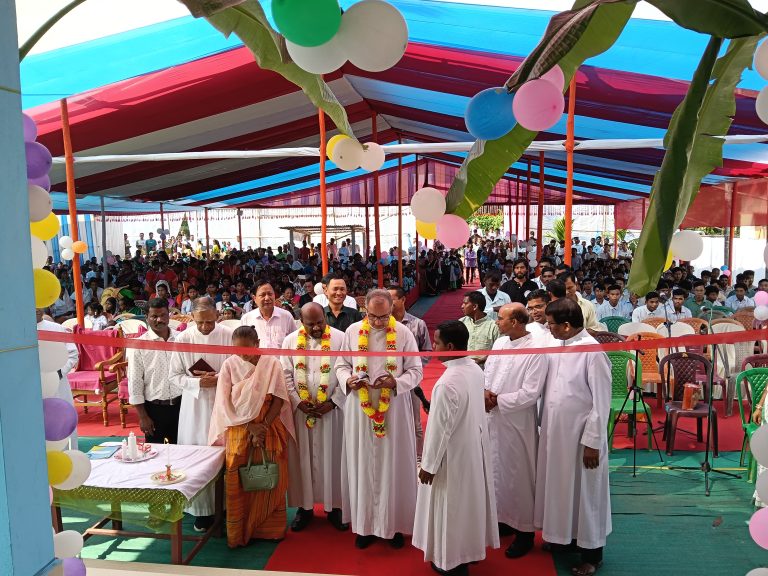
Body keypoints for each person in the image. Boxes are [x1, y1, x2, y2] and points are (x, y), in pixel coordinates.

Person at [335, 289, 423, 549]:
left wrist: (396, 382)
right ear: (365, 310)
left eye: (383, 317)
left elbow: (416, 370)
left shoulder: (404, 333)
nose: (377, 322)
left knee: (392, 464)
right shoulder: (353, 332)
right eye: (372, 316)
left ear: (392, 310)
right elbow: (341, 365)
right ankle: (365, 526)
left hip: (393, 406)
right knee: (362, 462)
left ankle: (393, 526)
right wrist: (348, 379)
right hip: (360, 407)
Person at [413, 321, 499, 576]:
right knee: (468, 506)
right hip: (472, 449)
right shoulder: (474, 369)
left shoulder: (447, 383)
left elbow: (439, 429)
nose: (433, 347)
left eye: (436, 343)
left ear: (449, 346)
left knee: (449, 508)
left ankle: (450, 560)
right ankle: (468, 551)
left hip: (450, 457)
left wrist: (428, 465)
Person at [535, 298, 612, 576]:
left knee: (586, 494)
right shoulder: (558, 345)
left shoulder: (592, 352)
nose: (548, 328)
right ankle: (563, 539)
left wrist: (592, 442)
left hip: (581, 439)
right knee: (561, 489)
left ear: (567, 325)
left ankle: (592, 554)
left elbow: (601, 403)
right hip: (557, 435)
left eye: (551, 324)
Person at [207, 326, 294, 547]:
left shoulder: (271, 363)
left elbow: (279, 398)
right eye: (237, 349)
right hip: (238, 427)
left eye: (247, 349)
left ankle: (271, 530)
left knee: (272, 474)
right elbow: (223, 402)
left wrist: (262, 426)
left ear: (257, 344)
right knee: (237, 477)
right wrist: (249, 427)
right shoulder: (229, 365)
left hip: (269, 425)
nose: (243, 354)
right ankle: (239, 532)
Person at [484, 303, 548, 558]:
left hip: (517, 423)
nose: (496, 322)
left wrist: (498, 401)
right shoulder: (500, 343)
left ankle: (524, 532)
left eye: (500, 318)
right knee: (496, 472)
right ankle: (503, 520)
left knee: (518, 476)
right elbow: (488, 372)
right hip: (493, 419)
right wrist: (485, 393)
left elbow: (531, 393)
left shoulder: (536, 350)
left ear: (515, 322)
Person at [169, 297, 234, 532]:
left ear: (217, 315)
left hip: (223, 403)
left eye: (209, 321)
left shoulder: (228, 336)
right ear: (192, 318)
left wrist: (219, 379)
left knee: (225, 454)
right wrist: (197, 383)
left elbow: (240, 369)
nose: (205, 327)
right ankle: (201, 511)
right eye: (200, 322)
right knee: (197, 455)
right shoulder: (183, 338)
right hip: (194, 407)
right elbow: (174, 376)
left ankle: (226, 507)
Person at [282, 303, 348, 532]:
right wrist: (298, 402)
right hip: (302, 412)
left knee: (334, 458)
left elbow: (347, 373)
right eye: (311, 324)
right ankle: (304, 508)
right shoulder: (290, 341)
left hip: (332, 412)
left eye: (320, 322)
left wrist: (333, 402)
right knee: (302, 459)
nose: (317, 327)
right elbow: (286, 375)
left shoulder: (341, 339)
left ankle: (336, 507)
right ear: (301, 322)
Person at [389, 285, 432, 462]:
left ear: (403, 300)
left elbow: (427, 351)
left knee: (415, 421)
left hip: (410, 381)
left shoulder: (417, 324)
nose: (388, 303)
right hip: (388, 381)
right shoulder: (383, 325)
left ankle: (417, 457)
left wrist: (412, 368)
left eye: (392, 299)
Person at [127, 298, 180, 443]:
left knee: (182, 451)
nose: (159, 320)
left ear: (169, 315)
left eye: (163, 315)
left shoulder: (181, 339)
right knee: (155, 452)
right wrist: (143, 416)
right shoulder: (138, 345)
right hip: (154, 409)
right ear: (147, 318)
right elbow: (135, 381)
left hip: (181, 406)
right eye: (154, 316)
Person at [36, 309, 79, 449]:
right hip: (32, 386)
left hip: (57, 385)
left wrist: (58, 373)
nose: (36, 309)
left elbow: (73, 354)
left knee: (62, 421)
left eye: (39, 306)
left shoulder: (56, 328)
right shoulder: (18, 332)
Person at [240, 280, 297, 349]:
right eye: (262, 295)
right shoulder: (246, 319)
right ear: (254, 298)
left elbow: (295, 342)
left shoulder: (286, 316)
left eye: (270, 294)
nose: (267, 298)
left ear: (274, 296)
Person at [459, 290, 500, 368]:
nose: (462, 306)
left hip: (485, 369)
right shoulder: (461, 323)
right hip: (463, 367)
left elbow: (499, 350)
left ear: (475, 306)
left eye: (465, 303)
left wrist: (481, 360)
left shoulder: (493, 326)